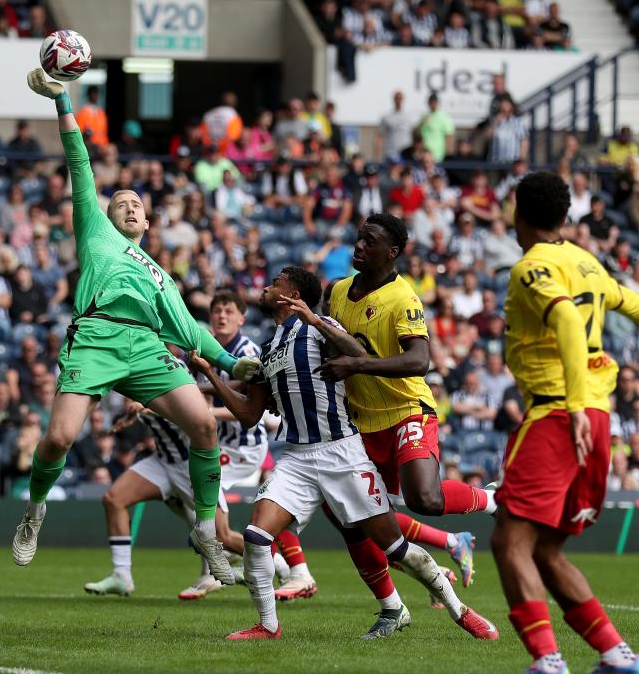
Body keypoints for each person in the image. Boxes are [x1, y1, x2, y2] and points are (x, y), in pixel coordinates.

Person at [12, 70, 261, 583]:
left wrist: (231, 363)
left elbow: (189, 331)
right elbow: (80, 163)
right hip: (97, 337)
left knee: (204, 426)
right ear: (105, 216)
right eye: (120, 202)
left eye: (137, 204)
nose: (128, 206)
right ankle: (35, 510)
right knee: (58, 438)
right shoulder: (95, 232)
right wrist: (62, 102)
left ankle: (207, 533)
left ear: (147, 222)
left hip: (147, 348)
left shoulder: (160, 275)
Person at [193, 267, 497, 641]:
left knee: (396, 548)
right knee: (256, 536)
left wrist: (313, 319)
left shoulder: (321, 327)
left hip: (342, 453)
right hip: (297, 458)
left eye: (276, 283)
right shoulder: (268, 348)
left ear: (293, 294)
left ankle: (459, 609)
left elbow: (358, 355)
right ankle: (268, 626)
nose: (267, 287)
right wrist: (209, 374)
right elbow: (249, 413)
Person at [491, 171, 639, 674]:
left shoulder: (531, 267)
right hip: (596, 416)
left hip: (560, 413)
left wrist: (573, 404)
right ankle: (617, 655)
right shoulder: (587, 262)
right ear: (564, 215)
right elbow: (631, 302)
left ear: (519, 212)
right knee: (546, 549)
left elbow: (569, 321)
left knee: (509, 540)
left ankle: (548, 661)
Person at [83, 291, 314, 601]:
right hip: (176, 454)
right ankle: (125, 576)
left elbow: (230, 404)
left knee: (216, 530)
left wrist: (173, 406)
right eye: (217, 310)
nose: (221, 316)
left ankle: (282, 567)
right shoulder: (181, 355)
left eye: (228, 311)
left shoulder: (238, 352)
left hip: (235, 448)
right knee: (115, 498)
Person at [319, 214, 497, 591]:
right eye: (359, 237)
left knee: (425, 499)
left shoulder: (403, 298)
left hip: (406, 410)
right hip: (361, 422)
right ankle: (396, 602)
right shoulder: (337, 291)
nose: (359, 245)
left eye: (370, 241)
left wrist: (357, 364)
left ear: (392, 252)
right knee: (354, 516)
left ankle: (490, 498)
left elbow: (419, 360)